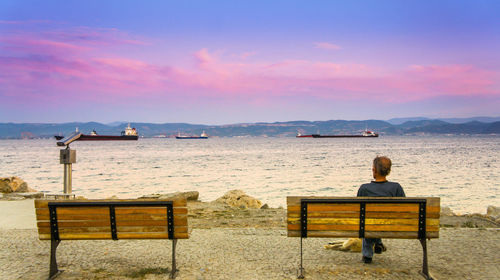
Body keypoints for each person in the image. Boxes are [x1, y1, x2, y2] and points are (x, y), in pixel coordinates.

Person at [357, 156, 405, 264]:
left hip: (367, 225)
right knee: (376, 220)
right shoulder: (396, 187)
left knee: (366, 222)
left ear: (374, 170)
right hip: (390, 224)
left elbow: (358, 211)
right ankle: (378, 242)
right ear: (388, 171)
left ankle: (367, 255)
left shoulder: (364, 188)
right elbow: (404, 208)